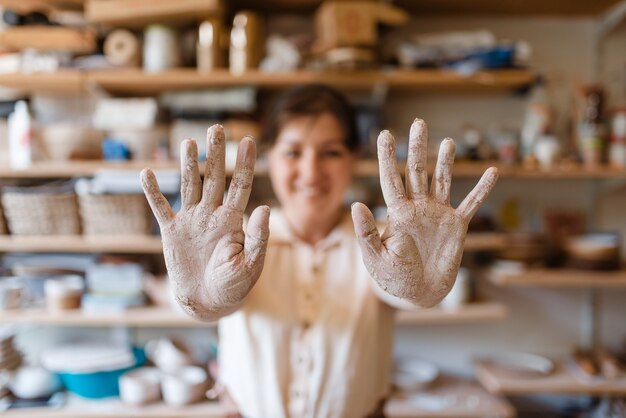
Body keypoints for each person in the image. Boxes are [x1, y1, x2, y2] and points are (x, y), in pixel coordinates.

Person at [141, 84, 498, 418]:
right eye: (293, 152)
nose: (311, 173)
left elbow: (397, 290)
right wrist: (202, 302)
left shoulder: (383, 246)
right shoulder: (233, 244)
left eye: (330, 152)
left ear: (353, 158)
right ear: (268, 158)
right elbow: (202, 306)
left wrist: (420, 292)